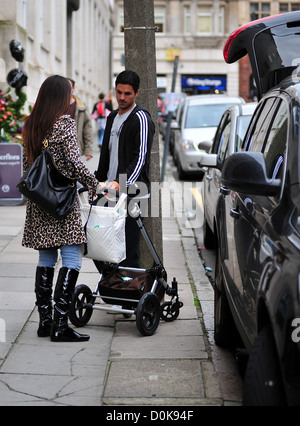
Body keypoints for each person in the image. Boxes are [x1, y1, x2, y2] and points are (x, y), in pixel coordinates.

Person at [22, 75, 101, 343]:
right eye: (69, 92)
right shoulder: (64, 123)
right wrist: (93, 183)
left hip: (40, 201)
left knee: (46, 259)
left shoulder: (31, 124)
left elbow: (27, 167)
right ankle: (60, 325)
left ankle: (45, 322)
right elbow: (72, 163)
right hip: (61, 201)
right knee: (72, 258)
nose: (72, 97)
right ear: (60, 96)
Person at [95, 70, 155, 268]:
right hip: (109, 190)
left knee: (128, 251)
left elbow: (141, 159)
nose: (122, 97)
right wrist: (96, 182)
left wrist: (120, 184)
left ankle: (128, 294)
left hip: (133, 193)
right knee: (99, 244)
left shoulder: (141, 118)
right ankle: (112, 286)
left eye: (127, 93)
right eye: (119, 92)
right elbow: (105, 156)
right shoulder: (112, 117)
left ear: (136, 93)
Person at [67, 78, 94, 161]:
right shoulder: (55, 106)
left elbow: (87, 128)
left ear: (73, 89)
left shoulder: (81, 107)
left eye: (69, 87)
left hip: (75, 147)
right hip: (59, 149)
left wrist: (88, 151)